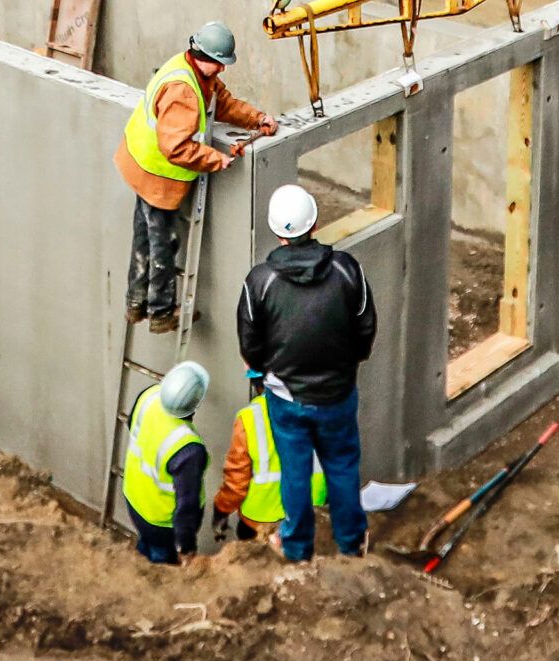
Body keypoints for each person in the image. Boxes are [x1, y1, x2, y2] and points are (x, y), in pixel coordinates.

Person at [235, 182, 376, 562]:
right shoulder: (347, 271)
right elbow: (365, 328)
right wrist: (348, 365)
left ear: (278, 232)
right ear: (315, 223)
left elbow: (250, 344)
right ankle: (351, 544)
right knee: (342, 466)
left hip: (286, 398)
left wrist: (265, 371)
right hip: (338, 394)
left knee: (294, 473)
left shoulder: (260, 281)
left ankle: (297, 550)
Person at [115, 20, 276, 332]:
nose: (221, 70)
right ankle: (161, 313)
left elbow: (223, 103)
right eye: (218, 64)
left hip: (140, 163)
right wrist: (215, 159)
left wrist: (257, 119)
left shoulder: (189, 69)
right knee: (164, 243)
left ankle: (136, 302)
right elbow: (175, 148)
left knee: (144, 237)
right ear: (202, 55)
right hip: (157, 173)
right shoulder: (184, 91)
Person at [212, 370, 329, 553]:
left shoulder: (250, 417)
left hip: (260, 521)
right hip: (310, 514)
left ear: (258, 385)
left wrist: (221, 510)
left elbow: (236, 480)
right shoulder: (321, 409)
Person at [121, 360, 211, 566]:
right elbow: (186, 505)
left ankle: (142, 562)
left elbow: (132, 425)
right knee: (161, 567)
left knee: (146, 547)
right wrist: (186, 546)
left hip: (135, 500)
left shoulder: (148, 396)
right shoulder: (187, 448)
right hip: (161, 523)